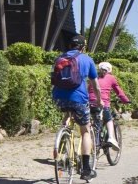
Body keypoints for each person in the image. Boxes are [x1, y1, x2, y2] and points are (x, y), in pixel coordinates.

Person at [52, 34, 101, 180]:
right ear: (83, 47)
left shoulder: (59, 59)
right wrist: (99, 101)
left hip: (58, 99)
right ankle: (86, 169)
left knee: (68, 112)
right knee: (85, 131)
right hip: (79, 100)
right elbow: (96, 86)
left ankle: (63, 138)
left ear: (69, 46)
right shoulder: (87, 59)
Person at [88, 61, 131, 149]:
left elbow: (89, 90)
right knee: (108, 119)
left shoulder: (93, 77)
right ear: (109, 70)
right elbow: (119, 91)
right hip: (103, 103)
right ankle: (111, 138)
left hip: (91, 103)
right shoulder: (111, 78)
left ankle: (95, 141)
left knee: (95, 121)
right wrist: (126, 100)